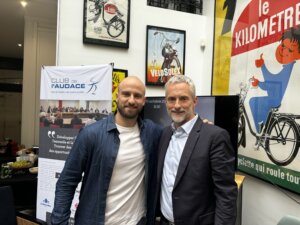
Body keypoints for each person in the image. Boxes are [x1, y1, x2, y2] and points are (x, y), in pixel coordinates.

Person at [51, 76, 162, 225]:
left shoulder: (152, 132)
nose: (131, 100)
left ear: (144, 101)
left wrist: (203, 124)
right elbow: (66, 182)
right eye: (126, 94)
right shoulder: (91, 134)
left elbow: (179, 134)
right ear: (117, 97)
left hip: (138, 221)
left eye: (137, 96)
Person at [152, 75, 238, 225]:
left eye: (183, 99)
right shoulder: (164, 134)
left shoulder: (215, 137)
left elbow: (226, 194)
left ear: (195, 101)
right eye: (171, 99)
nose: (177, 105)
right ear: (165, 102)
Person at [250, 26, 300, 133]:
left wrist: (261, 72)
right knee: (254, 101)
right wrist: (262, 68)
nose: (283, 50)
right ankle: (263, 129)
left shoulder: (288, 68)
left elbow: (273, 84)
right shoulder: (287, 67)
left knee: (253, 101)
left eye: (290, 49)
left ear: (298, 55)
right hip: (274, 96)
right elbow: (272, 82)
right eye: (283, 45)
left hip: (275, 99)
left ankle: (262, 131)